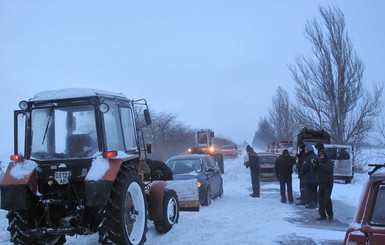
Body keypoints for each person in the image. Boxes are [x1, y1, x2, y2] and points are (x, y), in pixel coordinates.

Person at [314, 142, 334, 221]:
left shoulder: (329, 161)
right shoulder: (320, 161)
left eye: (322, 155)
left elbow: (328, 169)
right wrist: (314, 165)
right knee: (320, 200)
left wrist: (319, 164)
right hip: (321, 183)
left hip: (328, 183)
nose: (320, 156)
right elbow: (315, 171)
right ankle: (322, 215)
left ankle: (330, 215)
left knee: (327, 200)